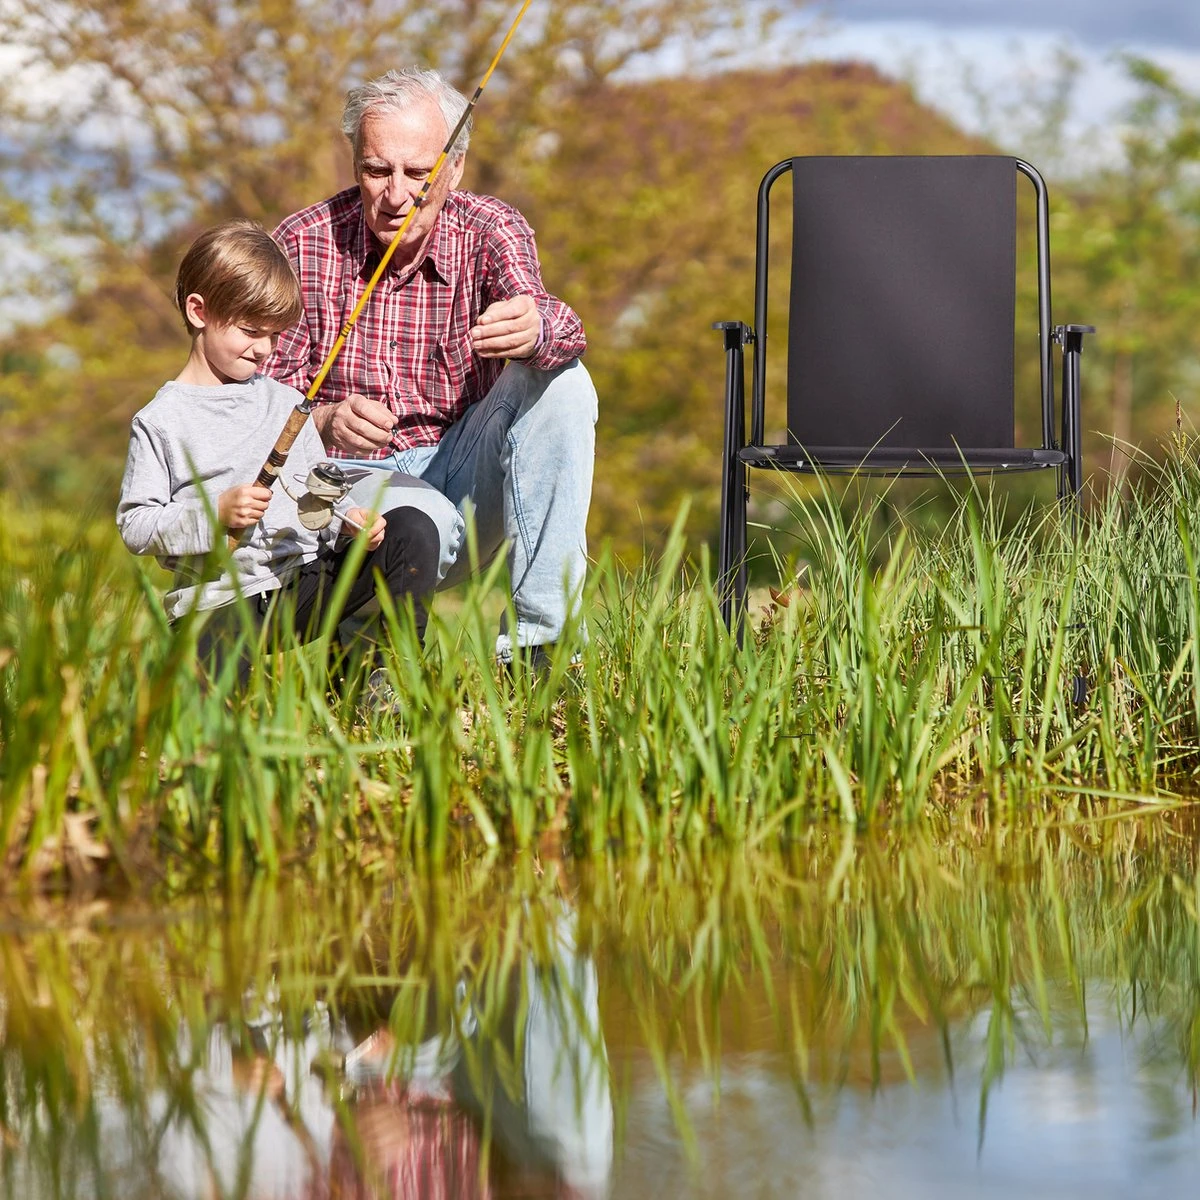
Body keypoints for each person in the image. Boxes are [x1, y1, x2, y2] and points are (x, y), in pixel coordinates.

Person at [266, 67, 598, 668]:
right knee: (419, 521)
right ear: (354, 163)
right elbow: (258, 409)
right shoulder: (300, 242)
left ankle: (541, 648)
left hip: (465, 476)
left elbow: (560, 329)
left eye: (418, 173)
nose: (396, 194)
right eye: (376, 171)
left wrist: (536, 326)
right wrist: (323, 419)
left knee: (564, 381)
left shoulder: (491, 228)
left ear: (455, 167)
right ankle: (370, 661)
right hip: (347, 495)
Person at [115, 218, 442, 690]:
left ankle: (380, 682)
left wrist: (345, 522)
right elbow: (136, 525)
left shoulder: (285, 402)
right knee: (217, 720)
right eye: (250, 331)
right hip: (219, 603)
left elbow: (316, 499)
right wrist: (216, 513)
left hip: (303, 582)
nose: (264, 349)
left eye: (274, 335)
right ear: (198, 311)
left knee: (412, 529)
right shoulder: (161, 420)